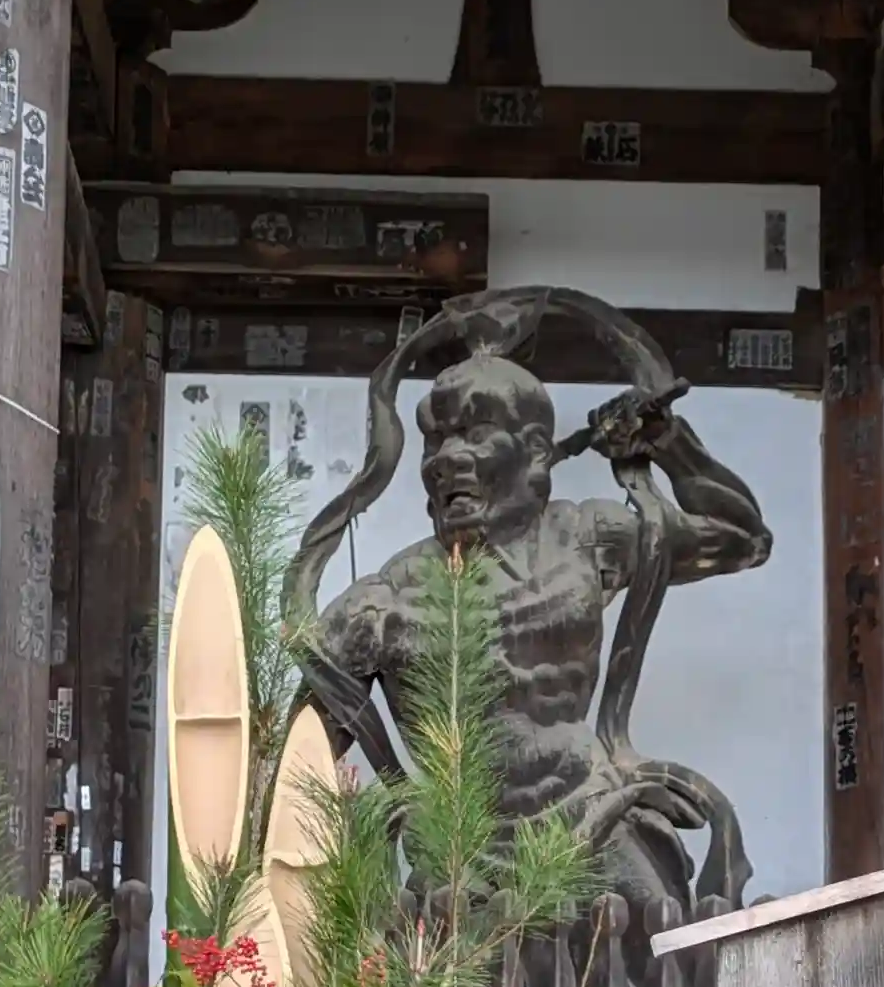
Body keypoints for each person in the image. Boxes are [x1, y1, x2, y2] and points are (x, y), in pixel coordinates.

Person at [294, 348, 771, 928]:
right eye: (435, 441)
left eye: (476, 433)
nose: (447, 459)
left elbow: (741, 539)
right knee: (445, 974)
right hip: (457, 849)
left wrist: (666, 440)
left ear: (537, 452)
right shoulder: (383, 602)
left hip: (590, 811)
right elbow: (293, 762)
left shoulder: (587, 538)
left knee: (663, 944)